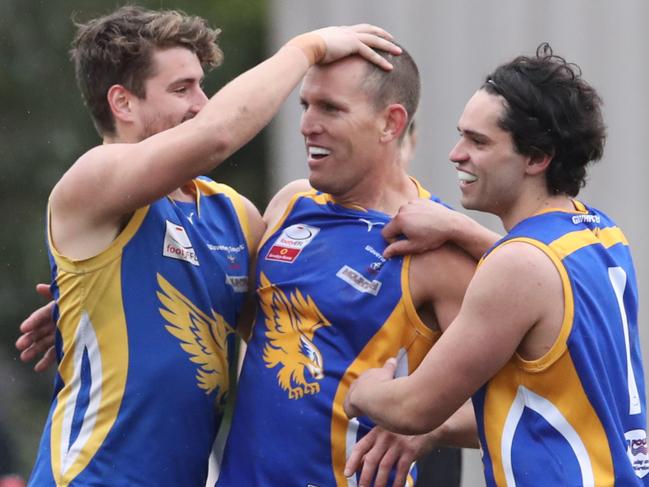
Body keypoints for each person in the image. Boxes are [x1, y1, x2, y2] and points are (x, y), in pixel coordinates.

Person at [20, 4, 401, 486]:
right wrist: (308, 47)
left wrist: (410, 410)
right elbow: (216, 135)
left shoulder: (233, 213)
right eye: (181, 89)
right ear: (123, 103)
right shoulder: (91, 179)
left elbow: (286, 329)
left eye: (202, 85)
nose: (202, 103)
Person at [344, 43, 648, 486]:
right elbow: (543, 281)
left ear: (537, 158)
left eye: (478, 141)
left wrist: (361, 391)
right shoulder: (600, 233)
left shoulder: (519, 266)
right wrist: (461, 229)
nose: (456, 153)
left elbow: (413, 407)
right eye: (461, 134)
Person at [215, 46, 495, 487]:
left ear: (391, 122)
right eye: (306, 105)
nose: (307, 125)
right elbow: (243, 320)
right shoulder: (291, 203)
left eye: (331, 108)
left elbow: (506, 403)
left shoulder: (433, 246)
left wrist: (428, 427)